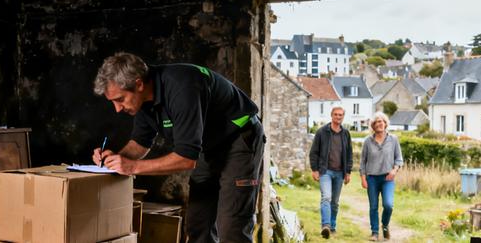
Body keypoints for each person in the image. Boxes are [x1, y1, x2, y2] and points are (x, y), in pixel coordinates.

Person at [91, 52, 265, 243]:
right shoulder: (143, 101)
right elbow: (140, 143)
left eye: (120, 99)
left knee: (232, 226)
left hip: (239, 139)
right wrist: (114, 159)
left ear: (139, 84)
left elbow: (186, 158)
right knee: (198, 224)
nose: (117, 108)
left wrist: (131, 167)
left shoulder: (183, 88)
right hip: (208, 146)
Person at [308, 106, 353, 239]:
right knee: (326, 197)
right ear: (331, 115)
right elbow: (314, 152)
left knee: (335, 202)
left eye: (340, 115)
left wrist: (348, 172)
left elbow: (349, 154)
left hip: (340, 172)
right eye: (336, 114)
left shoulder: (346, 134)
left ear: (343, 117)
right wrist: (314, 169)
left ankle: (332, 227)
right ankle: (325, 226)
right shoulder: (322, 132)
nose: (338, 117)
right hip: (325, 171)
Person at [360, 112, 404, 241]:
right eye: (376, 122)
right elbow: (363, 161)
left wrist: (394, 171)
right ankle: (374, 232)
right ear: (373, 126)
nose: (379, 124)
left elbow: (399, 159)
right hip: (372, 178)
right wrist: (363, 178)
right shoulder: (368, 141)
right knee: (373, 206)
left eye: (381, 121)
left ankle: (385, 225)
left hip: (387, 178)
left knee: (388, 205)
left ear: (385, 124)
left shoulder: (393, 139)